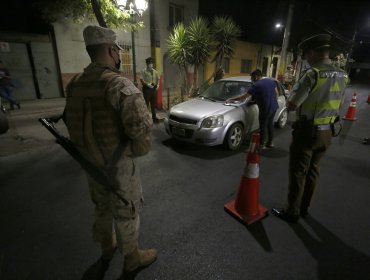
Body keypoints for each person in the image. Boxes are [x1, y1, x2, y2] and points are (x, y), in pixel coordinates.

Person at [63, 25, 157, 277]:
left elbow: (71, 123)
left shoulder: (74, 85)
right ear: (109, 50)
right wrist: (134, 150)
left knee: (102, 206)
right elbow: (140, 131)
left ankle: (107, 247)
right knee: (127, 209)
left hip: (90, 164)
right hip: (118, 165)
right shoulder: (118, 85)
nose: (118, 55)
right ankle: (132, 258)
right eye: (117, 50)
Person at [272, 34, 348, 223]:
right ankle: (305, 208)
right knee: (313, 170)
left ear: (313, 53)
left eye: (306, 55)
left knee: (298, 172)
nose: (306, 59)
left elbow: (292, 105)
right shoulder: (342, 75)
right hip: (328, 131)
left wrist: (292, 97)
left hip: (308, 131)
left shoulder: (313, 74)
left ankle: (292, 212)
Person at [246, 69, 279, 149]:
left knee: (263, 127)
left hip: (265, 109)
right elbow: (276, 93)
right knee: (270, 125)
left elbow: (245, 96)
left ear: (256, 76)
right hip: (274, 107)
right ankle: (270, 142)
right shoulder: (270, 81)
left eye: (252, 77)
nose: (251, 79)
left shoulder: (256, 85)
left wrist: (232, 99)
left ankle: (261, 145)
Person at [140, 57, 159, 122]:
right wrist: (147, 84)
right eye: (149, 63)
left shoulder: (155, 72)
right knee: (146, 104)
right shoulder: (143, 71)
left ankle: (154, 118)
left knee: (153, 104)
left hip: (153, 90)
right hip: (146, 90)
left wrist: (158, 85)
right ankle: (145, 119)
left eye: (151, 63)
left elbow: (158, 79)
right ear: (147, 64)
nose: (150, 64)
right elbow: (141, 80)